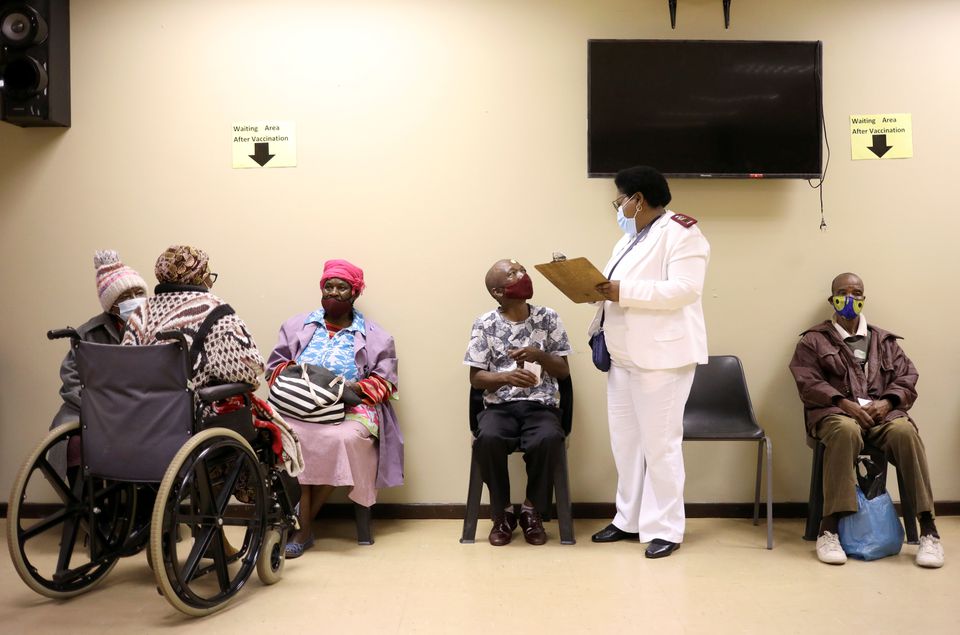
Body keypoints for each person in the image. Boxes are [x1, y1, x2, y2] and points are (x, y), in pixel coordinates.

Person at [588, 165, 710, 559]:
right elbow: (613, 285)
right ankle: (629, 519)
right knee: (626, 443)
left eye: (619, 199)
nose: (617, 206)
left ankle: (666, 528)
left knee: (661, 446)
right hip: (623, 356)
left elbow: (684, 290)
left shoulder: (684, 232)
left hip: (662, 358)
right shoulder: (629, 239)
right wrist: (594, 290)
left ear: (637, 199)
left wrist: (620, 289)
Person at [789, 272, 944, 568]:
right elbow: (807, 382)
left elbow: (907, 377)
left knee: (905, 432)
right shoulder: (813, 341)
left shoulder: (884, 341)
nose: (850, 298)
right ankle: (829, 528)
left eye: (856, 292)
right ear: (831, 299)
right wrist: (843, 403)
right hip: (836, 416)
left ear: (863, 298)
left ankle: (928, 530)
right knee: (845, 430)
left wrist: (887, 403)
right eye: (842, 292)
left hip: (882, 417)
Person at [267, 259, 402, 558]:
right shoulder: (297, 326)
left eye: (342, 287)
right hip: (300, 406)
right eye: (328, 286)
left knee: (340, 440)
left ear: (354, 293)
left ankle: (302, 528)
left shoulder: (375, 335)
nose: (334, 292)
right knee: (292, 438)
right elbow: (274, 367)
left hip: (350, 410)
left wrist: (349, 389)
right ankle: (302, 526)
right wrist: (311, 382)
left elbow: (386, 382)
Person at [464, 259, 572, 546]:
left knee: (549, 438)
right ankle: (502, 513)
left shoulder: (549, 318)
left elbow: (563, 371)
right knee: (488, 439)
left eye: (522, 270)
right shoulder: (485, 323)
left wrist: (540, 355)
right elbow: (476, 378)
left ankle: (531, 510)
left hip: (540, 406)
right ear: (499, 291)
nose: (522, 275)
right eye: (513, 274)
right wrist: (507, 378)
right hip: (500, 407)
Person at [122, 245, 264, 390]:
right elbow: (250, 369)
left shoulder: (140, 312)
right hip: (190, 407)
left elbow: (124, 368)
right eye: (208, 276)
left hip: (139, 407)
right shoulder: (216, 311)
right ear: (200, 276)